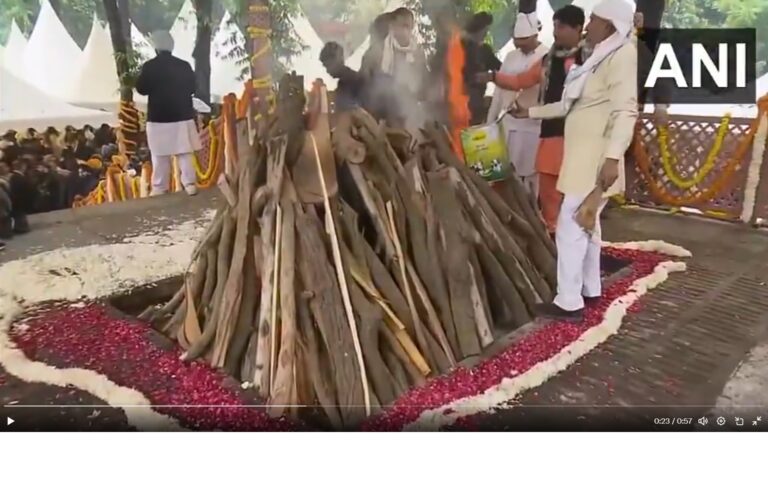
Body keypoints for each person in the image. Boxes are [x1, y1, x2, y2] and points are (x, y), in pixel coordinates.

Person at [509, 0, 638, 320]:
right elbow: (568, 105)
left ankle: (568, 301)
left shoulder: (622, 55)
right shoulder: (597, 56)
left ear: (609, 25)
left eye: (594, 19)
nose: (588, 24)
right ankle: (590, 289)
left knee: (570, 226)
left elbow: (626, 110)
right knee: (587, 226)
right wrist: (530, 112)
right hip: (581, 158)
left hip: (595, 160)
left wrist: (612, 157)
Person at [477, 5, 586, 236]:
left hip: (579, 137)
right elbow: (520, 81)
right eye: (555, 26)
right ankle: (552, 236)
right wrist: (493, 76)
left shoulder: (591, 59)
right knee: (548, 191)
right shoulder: (549, 59)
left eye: (562, 27)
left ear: (578, 28)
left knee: (575, 197)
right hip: (549, 132)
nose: (556, 31)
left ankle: (574, 239)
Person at [486, 12, 548, 196]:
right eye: (516, 40)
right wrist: (490, 120)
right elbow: (499, 90)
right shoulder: (511, 56)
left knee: (530, 176)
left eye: (524, 40)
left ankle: (531, 213)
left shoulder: (546, 56)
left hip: (532, 126)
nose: (519, 45)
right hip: (508, 124)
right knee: (503, 173)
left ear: (535, 36)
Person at [136, 30, 201, 196]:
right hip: (181, 115)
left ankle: (159, 187)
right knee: (185, 152)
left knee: (159, 154)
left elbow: (141, 89)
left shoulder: (150, 66)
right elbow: (193, 88)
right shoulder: (184, 65)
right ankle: (190, 184)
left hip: (158, 117)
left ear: (156, 47)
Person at [380, 7, 429, 135]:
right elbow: (374, 85)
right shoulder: (382, 50)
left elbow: (424, 86)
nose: (406, 31)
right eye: (403, 26)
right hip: (387, 114)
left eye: (410, 27)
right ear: (393, 26)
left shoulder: (418, 51)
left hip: (411, 111)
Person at [462, 12, 502, 124]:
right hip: (462, 101)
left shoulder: (485, 50)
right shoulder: (459, 48)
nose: (486, 33)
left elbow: (501, 68)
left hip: (478, 101)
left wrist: (491, 77)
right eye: (484, 29)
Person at [320, 41, 365, 112]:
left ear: (337, 60)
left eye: (328, 66)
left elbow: (350, 110)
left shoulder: (350, 81)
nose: (327, 71)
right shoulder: (344, 81)